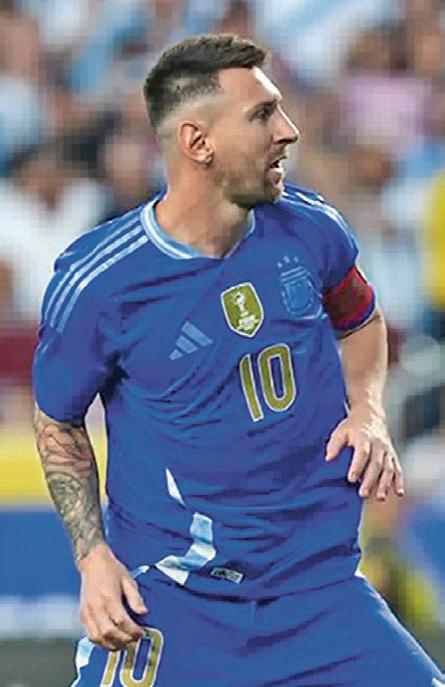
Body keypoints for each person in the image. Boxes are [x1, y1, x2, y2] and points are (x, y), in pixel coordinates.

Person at [32, 34, 444, 687]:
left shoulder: (311, 229)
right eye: (261, 115)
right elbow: (58, 419)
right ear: (197, 142)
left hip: (321, 597)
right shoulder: (101, 282)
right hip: (171, 603)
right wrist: (92, 557)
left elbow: (360, 319)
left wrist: (367, 410)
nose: (288, 130)